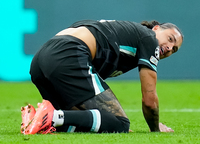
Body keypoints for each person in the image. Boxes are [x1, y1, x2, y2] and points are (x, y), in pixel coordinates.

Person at [20, 19, 183, 134]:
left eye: (174, 49)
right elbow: (149, 98)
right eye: (170, 39)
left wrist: (109, 123)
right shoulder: (149, 39)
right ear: (156, 28)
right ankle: (52, 116)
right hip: (69, 53)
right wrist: (155, 129)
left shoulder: (124, 33)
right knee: (121, 123)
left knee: (102, 123)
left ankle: (38, 118)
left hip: (41, 60)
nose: (169, 47)